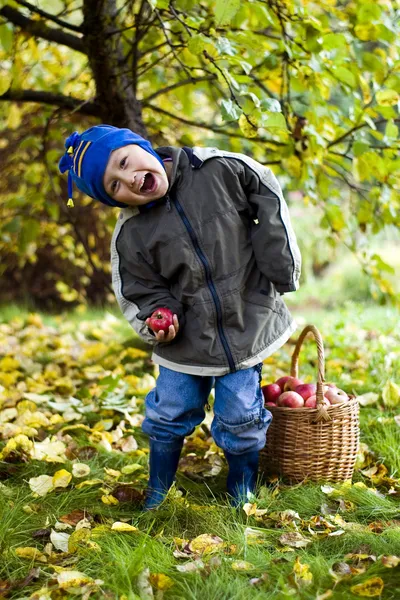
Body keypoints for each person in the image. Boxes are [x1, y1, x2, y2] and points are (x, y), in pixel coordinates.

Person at [59, 124, 301, 509]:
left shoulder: (215, 169)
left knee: (240, 416)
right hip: (184, 342)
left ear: (140, 146)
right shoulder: (132, 234)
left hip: (244, 321)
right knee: (169, 411)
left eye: (124, 162)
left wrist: (278, 262)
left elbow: (264, 187)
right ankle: (159, 489)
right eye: (115, 186)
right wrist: (160, 318)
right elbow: (140, 289)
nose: (130, 178)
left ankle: (241, 486)